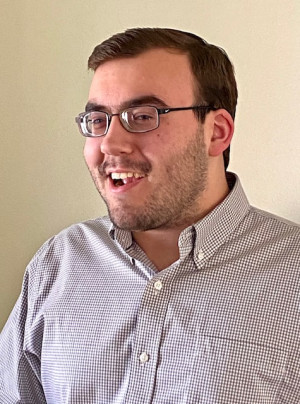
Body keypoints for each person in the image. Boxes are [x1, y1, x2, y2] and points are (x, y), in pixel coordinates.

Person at [0, 27, 299, 404]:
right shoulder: (58, 263)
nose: (109, 143)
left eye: (143, 116)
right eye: (98, 121)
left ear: (217, 132)